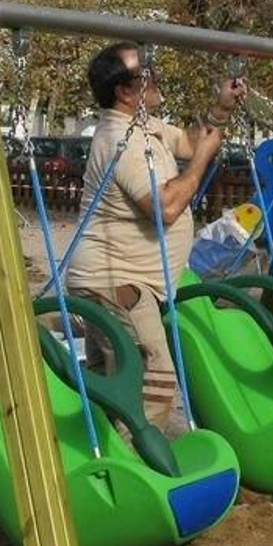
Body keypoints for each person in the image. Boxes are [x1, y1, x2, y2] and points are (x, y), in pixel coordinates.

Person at [65, 41, 247, 428]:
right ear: (124, 91)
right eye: (144, 71)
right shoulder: (122, 140)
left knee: (114, 384)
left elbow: (191, 141)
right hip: (112, 282)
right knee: (154, 375)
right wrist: (200, 162)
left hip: (125, 280)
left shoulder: (145, 126)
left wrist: (221, 108)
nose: (154, 73)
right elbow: (164, 209)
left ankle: (106, 462)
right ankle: (137, 463)